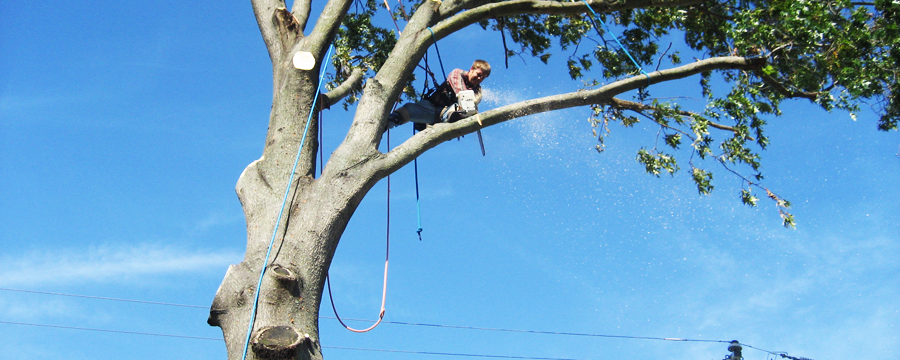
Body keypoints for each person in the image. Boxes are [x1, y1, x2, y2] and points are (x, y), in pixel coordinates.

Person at [387, 59, 491, 131]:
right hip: (431, 108)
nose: (479, 79)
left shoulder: (478, 91)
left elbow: (474, 102)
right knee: (409, 109)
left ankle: (452, 119)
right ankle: (388, 122)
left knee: (458, 108)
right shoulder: (457, 73)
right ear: (471, 69)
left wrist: (472, 110)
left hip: (449, 114)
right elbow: (460, 91)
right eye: (478, 75)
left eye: (483, 78)